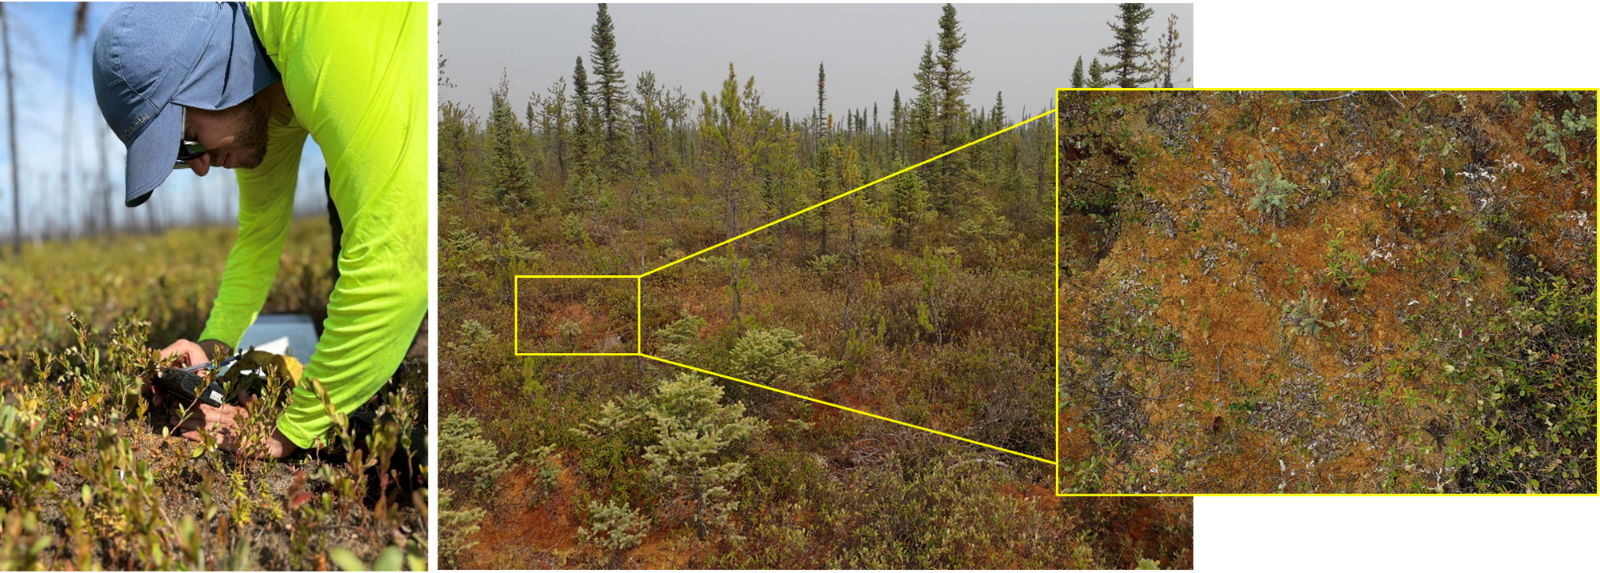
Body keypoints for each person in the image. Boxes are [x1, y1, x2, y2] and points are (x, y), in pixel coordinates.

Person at [91, 1, 428, 459]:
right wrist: (212, 349)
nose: (202, 166)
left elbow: (395, 270)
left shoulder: (324, 30)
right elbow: (258, 239)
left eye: (188, 138)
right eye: (180, 156)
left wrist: (282, 435)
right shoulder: (257, 92)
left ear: (212, 76)